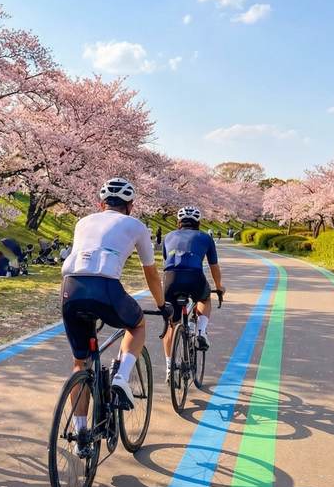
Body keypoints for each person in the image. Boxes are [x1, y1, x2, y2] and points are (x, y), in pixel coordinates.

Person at [61, 177, 171, 423]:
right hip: (106, 286)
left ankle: (80, 433)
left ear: (101, 204)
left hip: (70, 288)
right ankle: (121, 377)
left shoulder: (83, 222)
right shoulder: (136, 225)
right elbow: (151, 274)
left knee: (80, 363)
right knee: (137, 324)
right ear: (130, 205)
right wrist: (162, 305)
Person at [162, 206, 226, 381]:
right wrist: (219, 287)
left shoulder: (168, 236)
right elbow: (214, 266)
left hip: (170, 279)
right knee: (204, 298)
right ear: (198, 223)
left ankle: (169, 367)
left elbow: (166, 262)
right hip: (194, 277)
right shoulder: (205, 237)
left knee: (170, 326)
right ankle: (201, 332)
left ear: (178, 222)